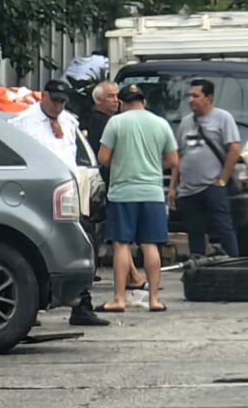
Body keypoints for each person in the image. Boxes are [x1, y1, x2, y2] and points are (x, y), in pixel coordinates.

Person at [11, 79, 109, 327]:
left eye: (62, 101)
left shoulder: (69, 121)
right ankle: (28, 309)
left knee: (82, 242)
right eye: (54, 100)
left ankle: (81, 305)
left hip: (69, 189)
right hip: (39, 191)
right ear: (44, 96)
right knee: (37, 246)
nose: (58, 106)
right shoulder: (24, 122)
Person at [96, 84, 178, 312]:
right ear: (144, 101)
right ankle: (153, 299)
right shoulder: (161, 124)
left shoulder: (115, 122)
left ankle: (119, 299)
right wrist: (151, 164)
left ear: (121, 103)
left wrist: (122, 162)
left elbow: (103, 158)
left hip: (122, 192)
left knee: (122, 245)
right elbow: (172, 161)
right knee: (150, 245)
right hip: (152, 192)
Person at [82, 81, 148, 289]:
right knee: (118, 236)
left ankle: (132, 275)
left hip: (115, 183)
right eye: (110, 96)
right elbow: (104, 157)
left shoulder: (113, 121)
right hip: (107, 183)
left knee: (116, 235)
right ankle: (133, 276)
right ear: (98, 101)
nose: (115, 100)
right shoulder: (100, 122)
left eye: (116, 96)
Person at [168, 78, 241, 257]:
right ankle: (198, 267)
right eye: (189, 96)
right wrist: (173, 186)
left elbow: (234, 149)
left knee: (224, 228)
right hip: (188, 189)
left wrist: (223, 179)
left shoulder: (223, 118)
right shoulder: (185, 123)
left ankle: (234, 264)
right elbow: (179, 156)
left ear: (208, 98)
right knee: (194, 232)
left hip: (212, 186)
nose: (190, 100)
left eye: (196, 95)